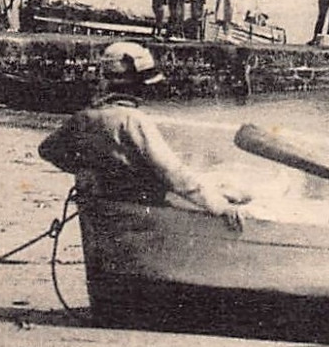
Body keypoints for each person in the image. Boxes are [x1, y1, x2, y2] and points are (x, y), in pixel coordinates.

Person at [38, 41, 249, 230]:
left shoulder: (85, 117)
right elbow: (172, 173)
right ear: (135, 84)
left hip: (102, 202)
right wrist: (220, 207)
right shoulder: (133, 120)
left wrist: (87, 170)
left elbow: (48, 150)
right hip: (141, 208)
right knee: (230, 194)